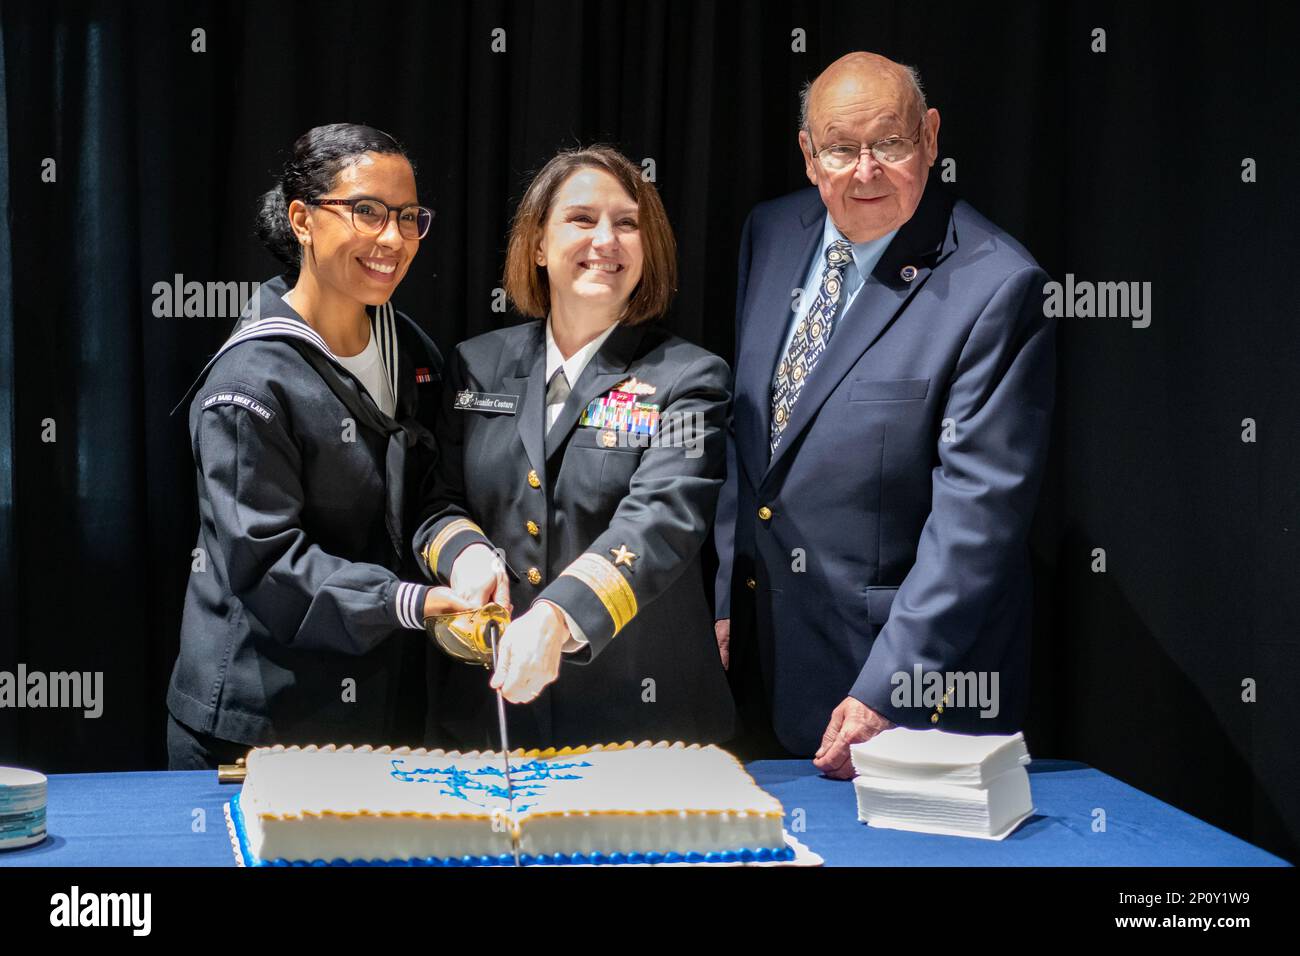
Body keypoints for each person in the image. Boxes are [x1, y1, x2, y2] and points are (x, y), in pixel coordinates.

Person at [714, 53, 1057, 777]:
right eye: (840, 148)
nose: (864, 171)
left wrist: (885, 692)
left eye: (890, 144)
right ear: (809, 154)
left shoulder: (997, 285)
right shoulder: (769, 234)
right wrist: (719, 599)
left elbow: (978, 522)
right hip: (753, 671)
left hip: (894, 701)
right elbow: (744, 446)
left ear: (930, 138)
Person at [166, 123, 472, 769]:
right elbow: (265, 562)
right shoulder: (249, 382)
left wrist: (465, 552)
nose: (392, 238)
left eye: (409, 217)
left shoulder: (410, 348)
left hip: (381, 709)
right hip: (262, 721)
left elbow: (427, 494)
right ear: (302, 219)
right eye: (366, 211)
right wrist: (410, 601)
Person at [414, 145, 733, 750]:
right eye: (582, 219)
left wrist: (558, 615)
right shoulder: (476, 365)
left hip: (640, 721)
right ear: (538, 244)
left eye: (628, 223)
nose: (606, 240)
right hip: (489, 719)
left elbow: (663, 520)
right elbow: (435, 501)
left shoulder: (690, 376)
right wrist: (466, 555)